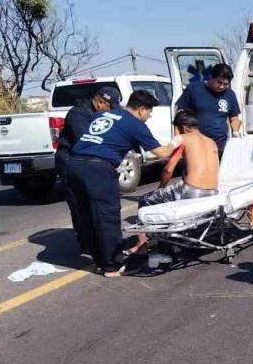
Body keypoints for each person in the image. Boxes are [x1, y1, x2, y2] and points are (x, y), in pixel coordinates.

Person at [67, 90, 178, 277]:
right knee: (107, 216)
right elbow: (162, 153)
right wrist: (176, 141)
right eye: (149, 112)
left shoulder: (102, 114)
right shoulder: (135, 124)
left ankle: (100, 261)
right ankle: (112, 265)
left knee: (86, 214)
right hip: (98, 168)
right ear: (141, 109)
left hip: (74, 164)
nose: (149, 117)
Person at [128, 109, 220, 255]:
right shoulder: (211, 141)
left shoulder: (183, 138)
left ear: (182, 127)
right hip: (213, 191)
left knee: (145, 200)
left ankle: (141, 246)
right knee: (170, 195)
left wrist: (161, 188)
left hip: (192, 191)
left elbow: (168, 169)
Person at [55, 86, 121, 253]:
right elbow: (87, 140)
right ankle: (87, 243)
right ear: (99, 102)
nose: (110, 112)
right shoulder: (80, 114)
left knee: (94, 203)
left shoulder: (97, 114)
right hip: (70, 160)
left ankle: (98, 241)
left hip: (86, 161)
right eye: (110, 107)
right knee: (79, 203)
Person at [176, 63, 241, 158]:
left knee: (215, 167)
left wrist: (235, 133)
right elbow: (179, 115)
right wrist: (178, 138)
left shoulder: (230, 95)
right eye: (219, 82)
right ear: (211, 77)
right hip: (194, 141)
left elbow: (234, 118)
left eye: (225, 84)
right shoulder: (193, 89)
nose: (222, 86)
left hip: (218, 144)